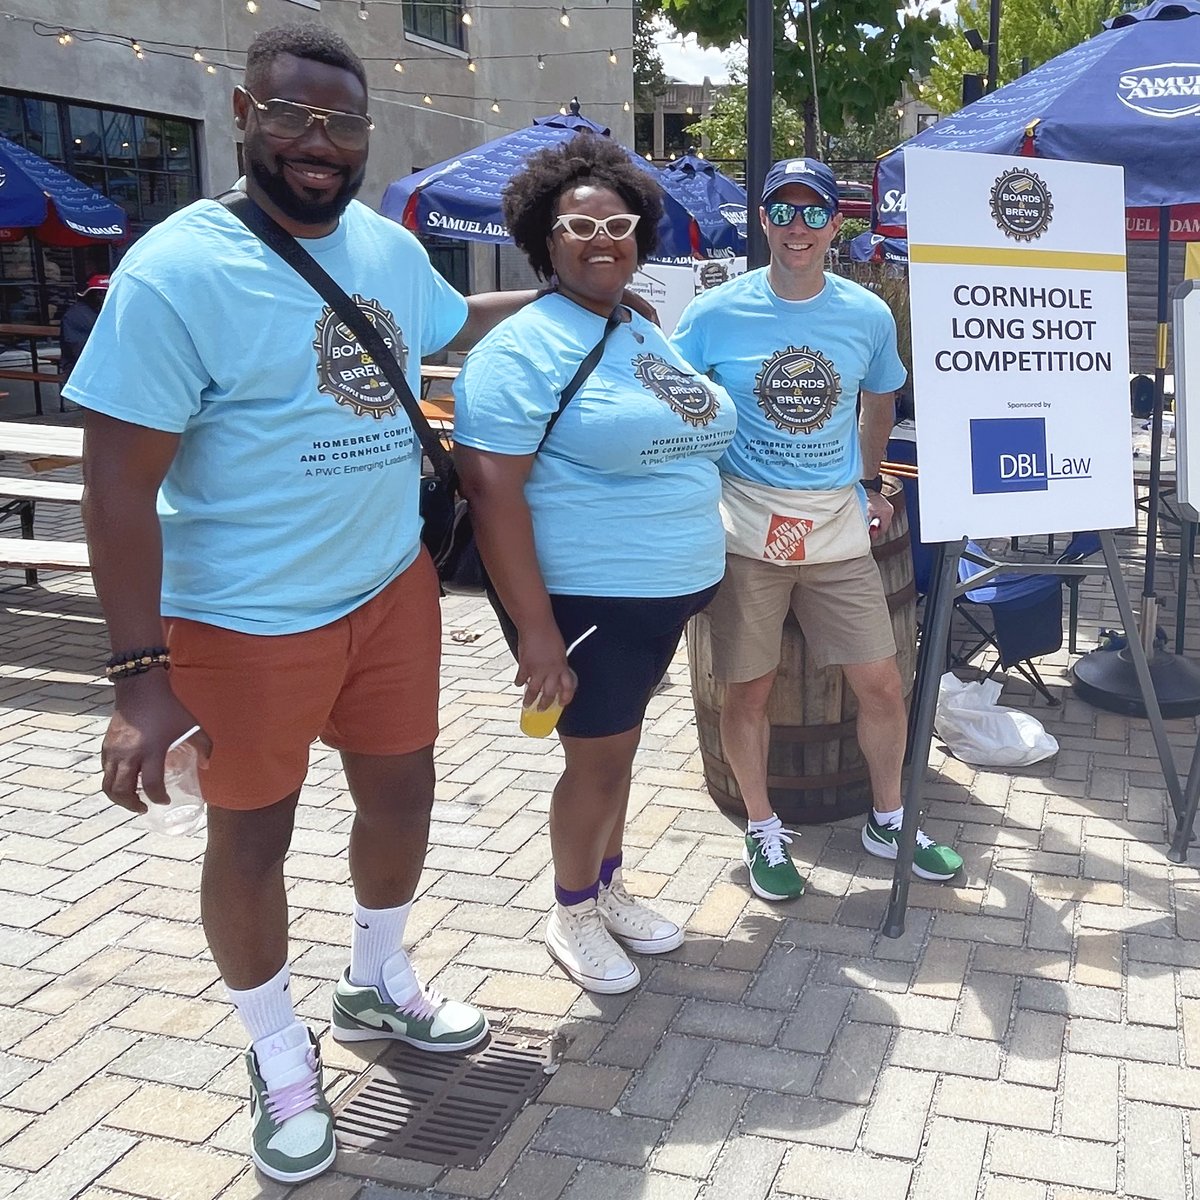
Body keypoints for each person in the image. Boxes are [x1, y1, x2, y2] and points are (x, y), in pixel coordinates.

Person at [65, 23, 553, 1187]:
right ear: (243, 114)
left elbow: (447, 327)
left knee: (404, 792)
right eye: (293, 116)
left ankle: (376, 978)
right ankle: (278, 1053)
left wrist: (570, 293)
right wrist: (140, 681)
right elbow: (116, 486)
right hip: (242, 615)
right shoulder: (176, 273)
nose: (318, 143)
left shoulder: (385, 253)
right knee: (256, 835)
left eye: (342, 122)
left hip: (387, 590)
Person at [453, 133, 737, 994]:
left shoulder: (635, 327)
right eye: (579, 228)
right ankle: (571, 910)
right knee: (595, 760)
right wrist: (536, 636)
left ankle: (607, 890)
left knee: (618, 750)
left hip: (659, 593)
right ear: (544, 240)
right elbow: (494, 495)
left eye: (618, 223)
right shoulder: (521, 350)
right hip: (586, 600)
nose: (603, 239)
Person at [670, 158, 963, 902]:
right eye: (783, 211)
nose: (797, 228)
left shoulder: (864, 313)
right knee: (747, 695)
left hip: (835, 528)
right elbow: (675, 406)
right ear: (764, 219)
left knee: (883, 686)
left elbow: (882, 398)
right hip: (746, 530)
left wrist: (871, 481)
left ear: (837, 224)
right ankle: (763, 827)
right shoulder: (714, 313)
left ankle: (888, 816)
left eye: (813, 213)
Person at [59, 275, 108, 381]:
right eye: (100, 293)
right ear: (91, 294)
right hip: (84, 372)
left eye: (108, 293)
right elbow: (82, 351)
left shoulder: (110, 312)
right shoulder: (76, 315)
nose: (104, 296)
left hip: (106, 369)